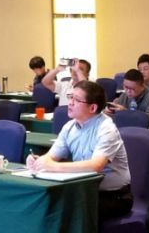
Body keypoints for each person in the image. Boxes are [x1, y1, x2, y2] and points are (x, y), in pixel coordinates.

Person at [27, 80, 132, 220]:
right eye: (70, 97)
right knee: (44, 203)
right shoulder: (69, 127)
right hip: (83, 191)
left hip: (113, 196)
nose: (70, 103)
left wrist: (52, 166)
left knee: (66, 212)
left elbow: (96, 166)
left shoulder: (106, 128)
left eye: (76, 100)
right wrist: (38, 161)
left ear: (92, 108)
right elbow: (51, 157)